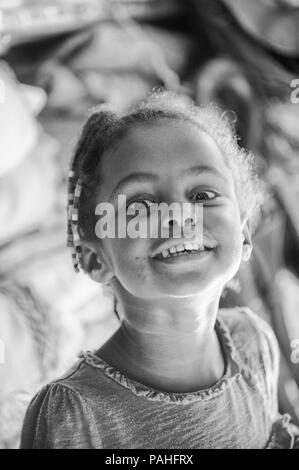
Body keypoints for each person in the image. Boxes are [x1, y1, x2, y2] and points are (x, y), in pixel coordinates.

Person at [20, 91, 299, 449]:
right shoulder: (75, 413)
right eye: (140, 204)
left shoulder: (254, 343)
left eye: (202, 196)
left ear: (243, 232)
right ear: (96, 259)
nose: (178, 215)